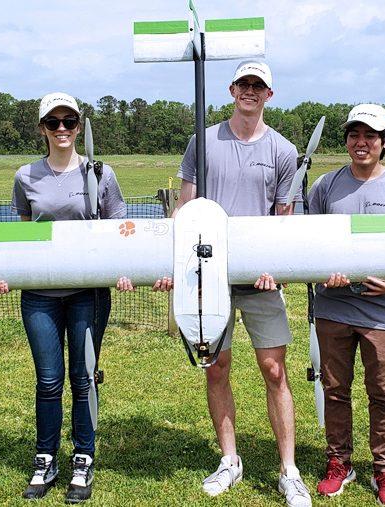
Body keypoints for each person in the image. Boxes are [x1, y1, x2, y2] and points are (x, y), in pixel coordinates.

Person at [117, 60, 311, 507]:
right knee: (217, 368)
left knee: (275, 370)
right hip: (207, 278)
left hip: (260, 281)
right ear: (231, 90)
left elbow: (282, 219)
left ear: (269, 95)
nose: (249, 91)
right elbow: (184, 210)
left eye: (257, 86)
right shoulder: (202, 141)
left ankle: (289, 469)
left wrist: (273, 266)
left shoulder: (283, 150)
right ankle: (229, 460)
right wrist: (176, 265)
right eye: (243, 84)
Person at [0, 92, 127, 504]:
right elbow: (23, 236)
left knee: (83, 378)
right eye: (54, 122)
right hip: (40, 297)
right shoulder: (26, 176)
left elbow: (118, 228)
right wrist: (6, 275)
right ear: (42, 129)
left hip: (88, 295)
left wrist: (124, 270)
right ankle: (46, 457)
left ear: (79, 126)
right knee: (49, 381)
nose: (63, 129)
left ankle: (83, 458)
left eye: (70, 121)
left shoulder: (101, 173)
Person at [305, 104, 385, 507]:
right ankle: (339, 463)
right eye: (354, 135)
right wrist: (324, 273)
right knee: (335, 390)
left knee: (384, 393)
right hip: (333, 309)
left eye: (370, 136)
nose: (361, 143)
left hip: (383, 313)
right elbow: (306, 243)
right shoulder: (325, 186)